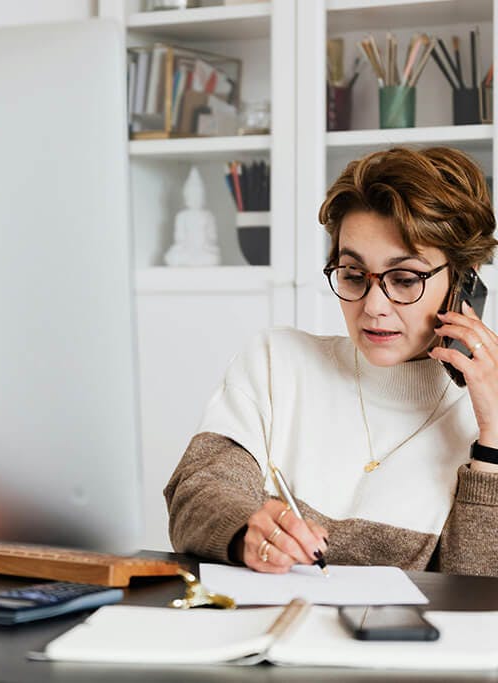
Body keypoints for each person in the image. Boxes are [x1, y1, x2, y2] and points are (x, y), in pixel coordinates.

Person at [164, 146, 498, 575]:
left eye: (404, 278)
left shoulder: (484, 412)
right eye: (353, 275)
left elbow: (476, 590)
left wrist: (492, 443)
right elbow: (197, 492)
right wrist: (244, 529)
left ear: (462, 282)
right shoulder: (277, 362)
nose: (374, 305)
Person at [164, 166, 221, 267]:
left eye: (198, 195)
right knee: (172, 257)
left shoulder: (208, 216)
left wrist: (205, 245)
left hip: (204, 251)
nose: (195, 198)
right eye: (192, 194)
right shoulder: (182, 216)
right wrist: (185, 247)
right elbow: (179, 238)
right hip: (186, 251)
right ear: (186, 196)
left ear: (203, 196)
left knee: (213, 258)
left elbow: (212, 237)